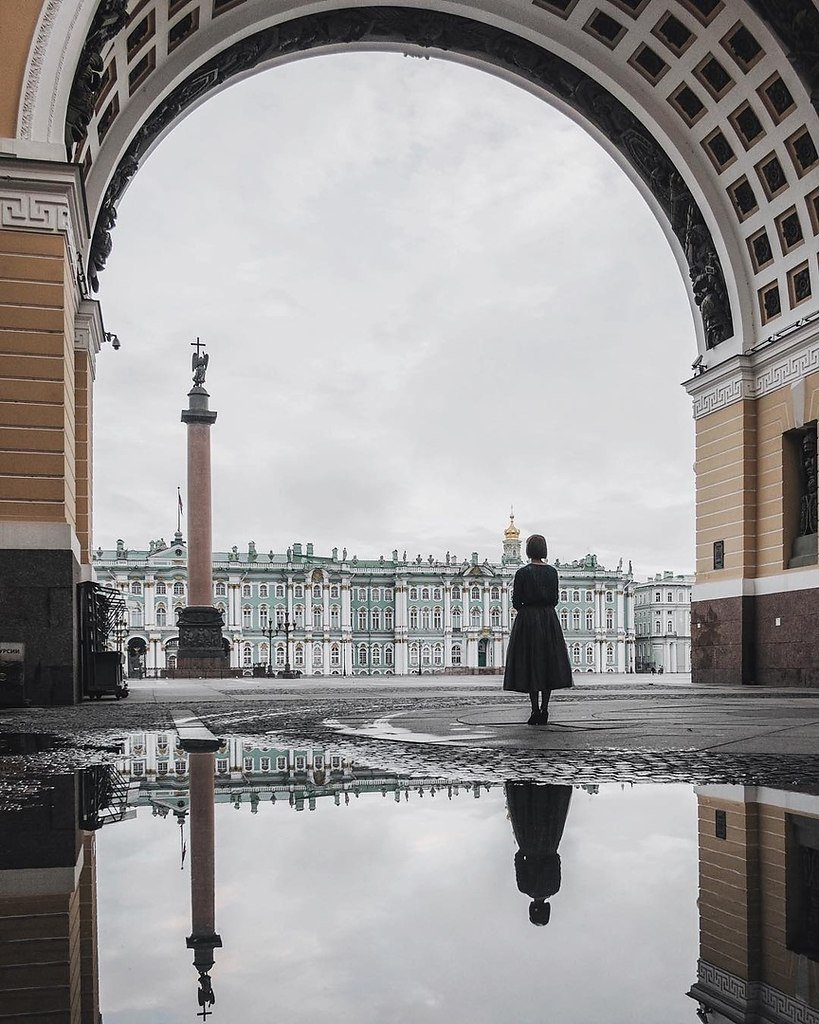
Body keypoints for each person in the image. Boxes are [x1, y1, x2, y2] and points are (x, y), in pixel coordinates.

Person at [503, 533, 573, 724]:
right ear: (544, 550)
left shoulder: (522, 573)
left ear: (527, 551)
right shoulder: (552, 572)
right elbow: (555, 600)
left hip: (527, 621)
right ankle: (545, 709)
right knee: (548, 664)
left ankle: (534, 710)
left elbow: (516, 601)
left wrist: (527, 610)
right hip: (548, 620)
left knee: (530, 664)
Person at [505, 782, 572, 926]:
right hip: (527, 840)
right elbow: (518, 860)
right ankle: (526, 790)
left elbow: (556, 861)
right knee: (526, 807)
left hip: (549, 841)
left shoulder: (554, 888)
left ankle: (549, 790)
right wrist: (523, 849)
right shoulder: (524, 887)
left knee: (550, 807)